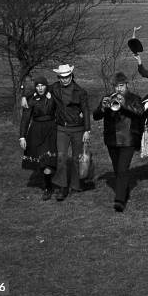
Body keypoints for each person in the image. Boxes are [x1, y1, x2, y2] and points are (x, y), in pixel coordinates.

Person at [93, 72, 145, 212]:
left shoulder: (134, 98)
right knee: (117, 170)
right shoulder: (108, 98)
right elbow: (95, 116)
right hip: (111, 139)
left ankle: (120, 200)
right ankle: (124, 189)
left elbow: (140, 112)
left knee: (122, 169)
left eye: (121, 86)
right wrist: (102, 107)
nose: (119, 89)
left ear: (126, 85)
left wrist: (124, 105)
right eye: (116, 86)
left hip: (128, 139)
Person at [49, 64, 91, 201]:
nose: (65, 79)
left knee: (76, 158)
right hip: (62, 128)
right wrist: (25, 95)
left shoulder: (80, 91)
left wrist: (87, 130)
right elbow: (40, 89)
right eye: (62, 77)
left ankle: (76, 184)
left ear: (71, 76)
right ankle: (62, 187)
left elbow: (85, 110)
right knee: (61, 157)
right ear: (58, 77)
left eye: (67, 77)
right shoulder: (54, 88)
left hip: (78, 129)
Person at [19, 76, 57, 200]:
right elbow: (25, 119)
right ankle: (48, 186)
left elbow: (59, 84)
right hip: (36, 131)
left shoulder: (52, 94)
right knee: (42, 160)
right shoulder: (31, 99)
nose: (40, 88)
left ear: (46, 86)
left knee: (48, 160)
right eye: (38, 86)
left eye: (43, 85)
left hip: (51, 130)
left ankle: (48, 186)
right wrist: (22, 137)